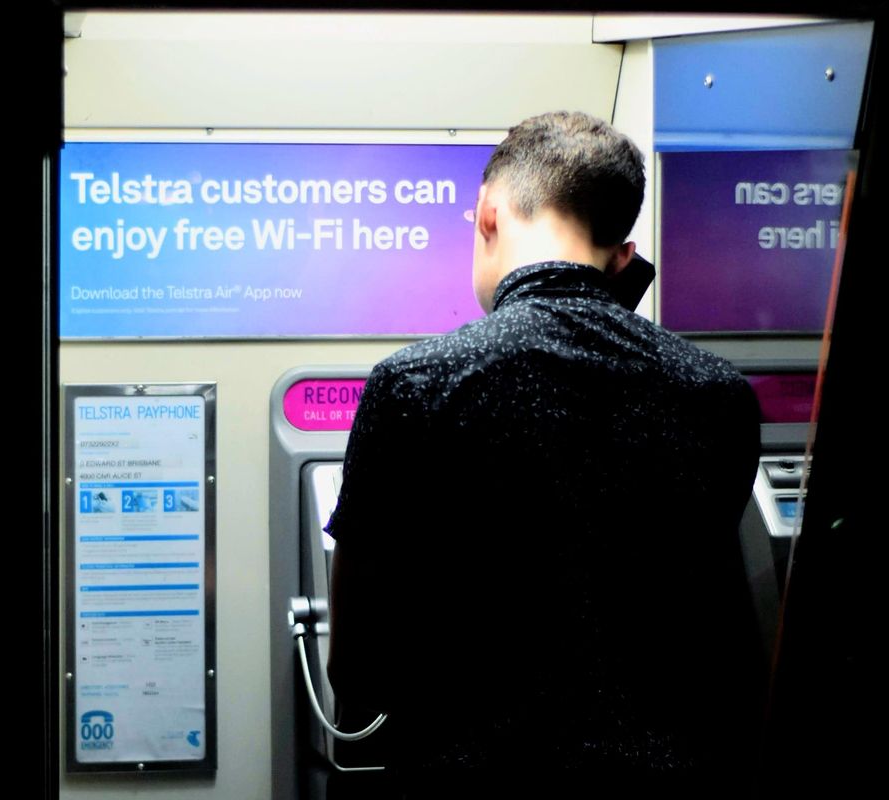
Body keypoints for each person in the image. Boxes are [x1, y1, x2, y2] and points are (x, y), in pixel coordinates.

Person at [325, 111, 764, 798]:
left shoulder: (417, 383)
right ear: (624, 255)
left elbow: (358, 667)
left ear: (489, 215)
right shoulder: (717, 393)